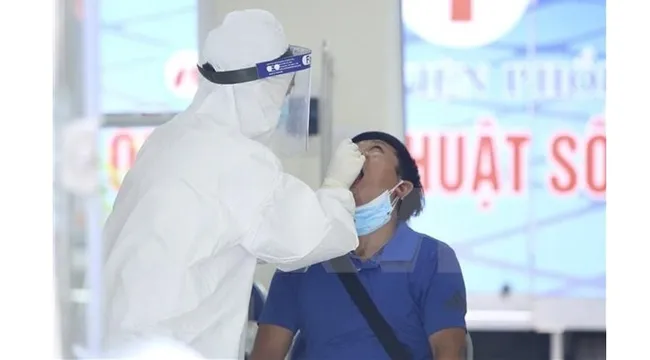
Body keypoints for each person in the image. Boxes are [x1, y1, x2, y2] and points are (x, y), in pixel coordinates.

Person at [101, 9, 365, 359]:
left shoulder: (168, 139)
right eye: (283, 92)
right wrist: (335, 187)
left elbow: (198, 240)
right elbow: (311, 238)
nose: (283, 103)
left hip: (115, 339)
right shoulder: (239, 160)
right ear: (261, 89)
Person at [250, 131, 468, 360]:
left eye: (375, 150)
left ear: (402, 189)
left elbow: (449, 352)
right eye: (352, 150)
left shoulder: (433, 258)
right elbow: (266, 353)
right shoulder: (305, 256)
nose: (357, 156)